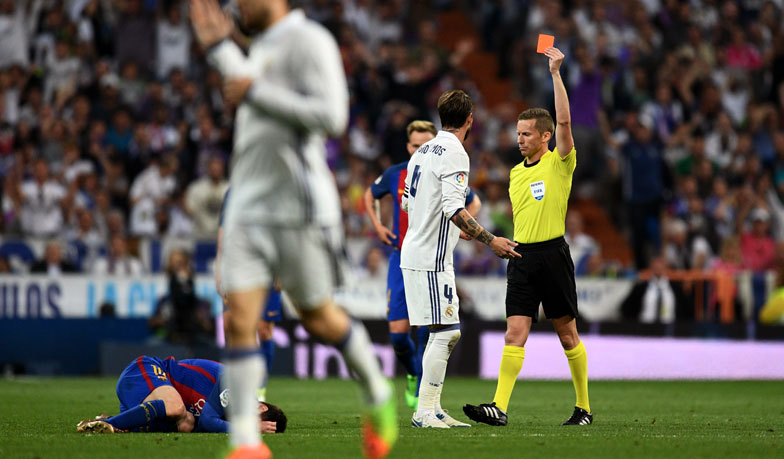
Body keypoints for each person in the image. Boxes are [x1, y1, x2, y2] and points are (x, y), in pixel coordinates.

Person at [189, 1, 397, 458]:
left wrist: (252, 88)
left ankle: (378, 392)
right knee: (239, 319)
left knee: (319, 317)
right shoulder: (260, 47)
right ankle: (246, 442)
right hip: (246, 203)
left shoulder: (311, 42)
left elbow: (333, 117)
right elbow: (246, 88)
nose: (236, 5)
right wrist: (219, 50)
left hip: (297, 207)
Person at [463, 47, 593, 427]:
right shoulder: (517, 173)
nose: (519, 139)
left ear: (545, 136)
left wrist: (555, 74)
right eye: (517, 133)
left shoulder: (560, 162)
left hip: (553, 254)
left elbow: (566, 124)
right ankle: (499, 407)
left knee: (567, 335)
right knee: (514, 332)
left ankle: (583, 407)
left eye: (525, 134)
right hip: (521, 257)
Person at [400, 89, 519, 428]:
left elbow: (409, 204)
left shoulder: (422, 151)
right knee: (446, 332)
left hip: (423, 249)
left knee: (444, 331)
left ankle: (434, 408)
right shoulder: (455, 152)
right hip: (430, 256)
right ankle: (424, 411)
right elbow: (454, 208)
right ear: (470, 119)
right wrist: (490, 239)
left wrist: (453, 227)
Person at [363, 120, 482, 410]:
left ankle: (425, 400)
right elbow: (371, 193)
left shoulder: (442, 168)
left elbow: (472, 200)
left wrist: (463, 229)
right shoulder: (397, 173)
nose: (421, 148)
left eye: (425, 143)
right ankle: (415, 375)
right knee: (397, 335)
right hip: (399, 256)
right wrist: (378, 226)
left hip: (430, 257)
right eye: (416, 145)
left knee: (427, 330)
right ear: (408, 146)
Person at [76, 356, 286, 434]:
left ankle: (123, 423)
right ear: (260, 407)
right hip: (145, 371)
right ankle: (111, 424)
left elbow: (205, 423)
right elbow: (208, 421)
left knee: (187, 423)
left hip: (141, 404)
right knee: (178, 409)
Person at [216, 188, 283, 401]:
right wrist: (220, 270)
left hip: (268, 265)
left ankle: (259, 389)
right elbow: (223, 233)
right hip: (238, 264)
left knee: (264, 330)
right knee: (230, 325)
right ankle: (233, 388)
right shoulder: (233, 193)